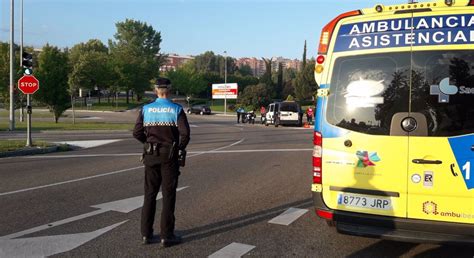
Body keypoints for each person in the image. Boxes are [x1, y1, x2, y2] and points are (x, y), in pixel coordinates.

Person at [133, 78, 190, 249]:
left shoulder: (145, 109)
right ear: (170, 90)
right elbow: (185, 134)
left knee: (149, 194)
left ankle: (146, 234)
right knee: (168, 195)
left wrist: (147, 143)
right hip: (169, 156)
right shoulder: (176, 109)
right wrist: (178, 148)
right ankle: (167, 235)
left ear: (155, 90)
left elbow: (136, 132)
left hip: (150, 155)